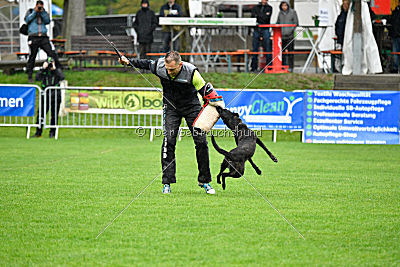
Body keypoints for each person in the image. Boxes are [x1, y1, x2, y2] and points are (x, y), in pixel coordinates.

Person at [119, 51, 221, 194]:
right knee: (169, 141)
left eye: (172, 69)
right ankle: (167, 182)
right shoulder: (160, 66)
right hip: (171, 107)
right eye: (167, 69)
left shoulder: (192, 72)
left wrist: (211, 109)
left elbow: (205, 93)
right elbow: (146, 64)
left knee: (201, 142)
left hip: (192, 107)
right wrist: (128, 62)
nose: (169, 72)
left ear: (180, 65)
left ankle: (204, 181)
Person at [25, 0, 60, 83]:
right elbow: (27, 20)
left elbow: (47, 21)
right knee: (33, 56)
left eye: (41, 5)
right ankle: (30, 74)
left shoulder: (44, 13)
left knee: (51, 53)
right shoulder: (30, 11)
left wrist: (42, 12)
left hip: (43, 37)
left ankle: (52, 70)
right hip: (34, 36)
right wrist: (35, 12)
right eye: (39, 6)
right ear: (36, 5)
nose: (40, 7)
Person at [32, 57, 65, 138]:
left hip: (56, 95)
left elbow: (62, 77)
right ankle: (38, 132)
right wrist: (43, 68)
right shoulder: (44, 72)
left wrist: (55, 69)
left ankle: (52, 132)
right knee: (41, 114)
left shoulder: (57, 71)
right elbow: (37, 78)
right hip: (45, 95)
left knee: (54, 115)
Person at [250, 0, 273, 72]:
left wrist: (259, 16)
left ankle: (269, 67)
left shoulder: (269, 8)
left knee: (268, 48)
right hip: (257, 29)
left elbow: (266, 18)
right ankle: (253, 67)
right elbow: (253, 17)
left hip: (265, 29)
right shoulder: (255, 7)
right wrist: (262, 16)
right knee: (255, 49)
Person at [276, 1, 298, 72]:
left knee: (291, 52)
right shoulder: (280, 13)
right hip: (282, 36)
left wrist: (290, 30)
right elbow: (277, 22)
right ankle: (283, 66)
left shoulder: (293, 12)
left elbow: (296, 23)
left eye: (285, 5)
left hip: (290, 36)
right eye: (282, 6)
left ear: (288, 5)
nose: (284, 7)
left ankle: (291, 67)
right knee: (282, 53)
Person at [389, 3, 400, 73]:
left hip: (395, 34)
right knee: (395, 52)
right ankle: (395, 67)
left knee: (395, 52)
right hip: (396, 34)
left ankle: (395, 67)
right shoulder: (395, 12)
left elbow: (391, 23)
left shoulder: (394, 12)